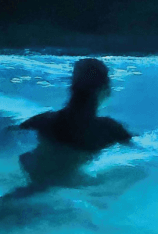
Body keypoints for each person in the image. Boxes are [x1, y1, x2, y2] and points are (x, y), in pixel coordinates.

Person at [11, 58, 133, 194]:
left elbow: (11, 135)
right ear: (105, 88)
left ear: (72, 87)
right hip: (67, 192)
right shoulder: (108, 130)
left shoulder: (43, 121)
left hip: (35, 187)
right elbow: (139, 150)